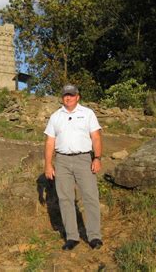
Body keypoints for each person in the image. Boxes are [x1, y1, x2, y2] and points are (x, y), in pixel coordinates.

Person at [44, 84, 103, 251]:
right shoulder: (56, 116)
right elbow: (50, 141)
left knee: (90, 196)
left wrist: (97, 158)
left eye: (71, 95)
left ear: (78, 96)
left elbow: (96, 137)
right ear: (62, 97)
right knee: (65, 199)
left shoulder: (87, 113)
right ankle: (72, 237)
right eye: (65, 95)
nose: (68, 98)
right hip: (62, 161)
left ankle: (94, 236)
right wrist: (48, 164)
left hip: (84, 159)